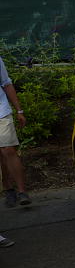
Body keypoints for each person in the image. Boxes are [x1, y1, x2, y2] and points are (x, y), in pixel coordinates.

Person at [0, 55, 30, 207]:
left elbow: (6, 83)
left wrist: (19, 110)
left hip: (1, 111)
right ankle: (8, 188)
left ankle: (22, 191)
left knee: (8, 149)